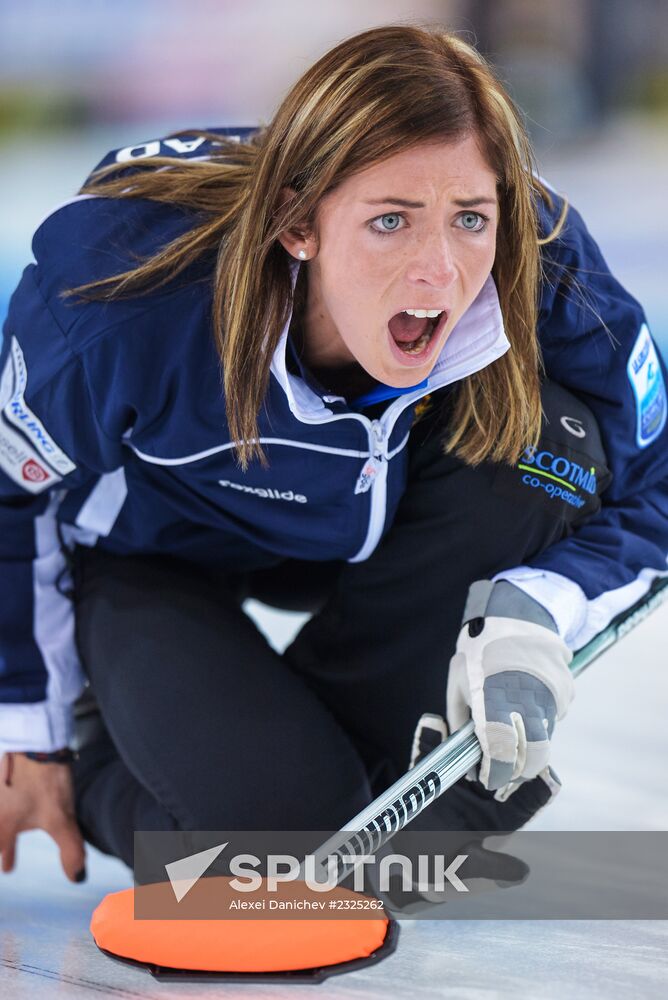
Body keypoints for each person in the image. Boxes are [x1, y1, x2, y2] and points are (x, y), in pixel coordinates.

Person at [0, 25, 666, 887]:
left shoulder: (541, 261)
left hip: (379, 529)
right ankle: (111, 749)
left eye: (470, 218)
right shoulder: (119, 297)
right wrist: (29, 723)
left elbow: (656, 477)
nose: (438, 271)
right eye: (390, 221)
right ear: (297, 221)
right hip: (153, 560)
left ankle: (357, 790)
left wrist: (542, 607)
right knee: (286, 848)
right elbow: (10, 491)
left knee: (553, 441)